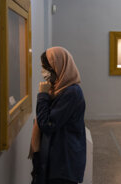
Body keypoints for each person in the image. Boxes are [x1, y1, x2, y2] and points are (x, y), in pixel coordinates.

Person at [30, 47, 86, 184]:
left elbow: (47, 124)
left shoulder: (71, 93)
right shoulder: (57, 90)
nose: (44, 73)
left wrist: (42, 96)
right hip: (56, 158)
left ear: (58, 67)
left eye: (46, 68)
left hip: (63, 163)